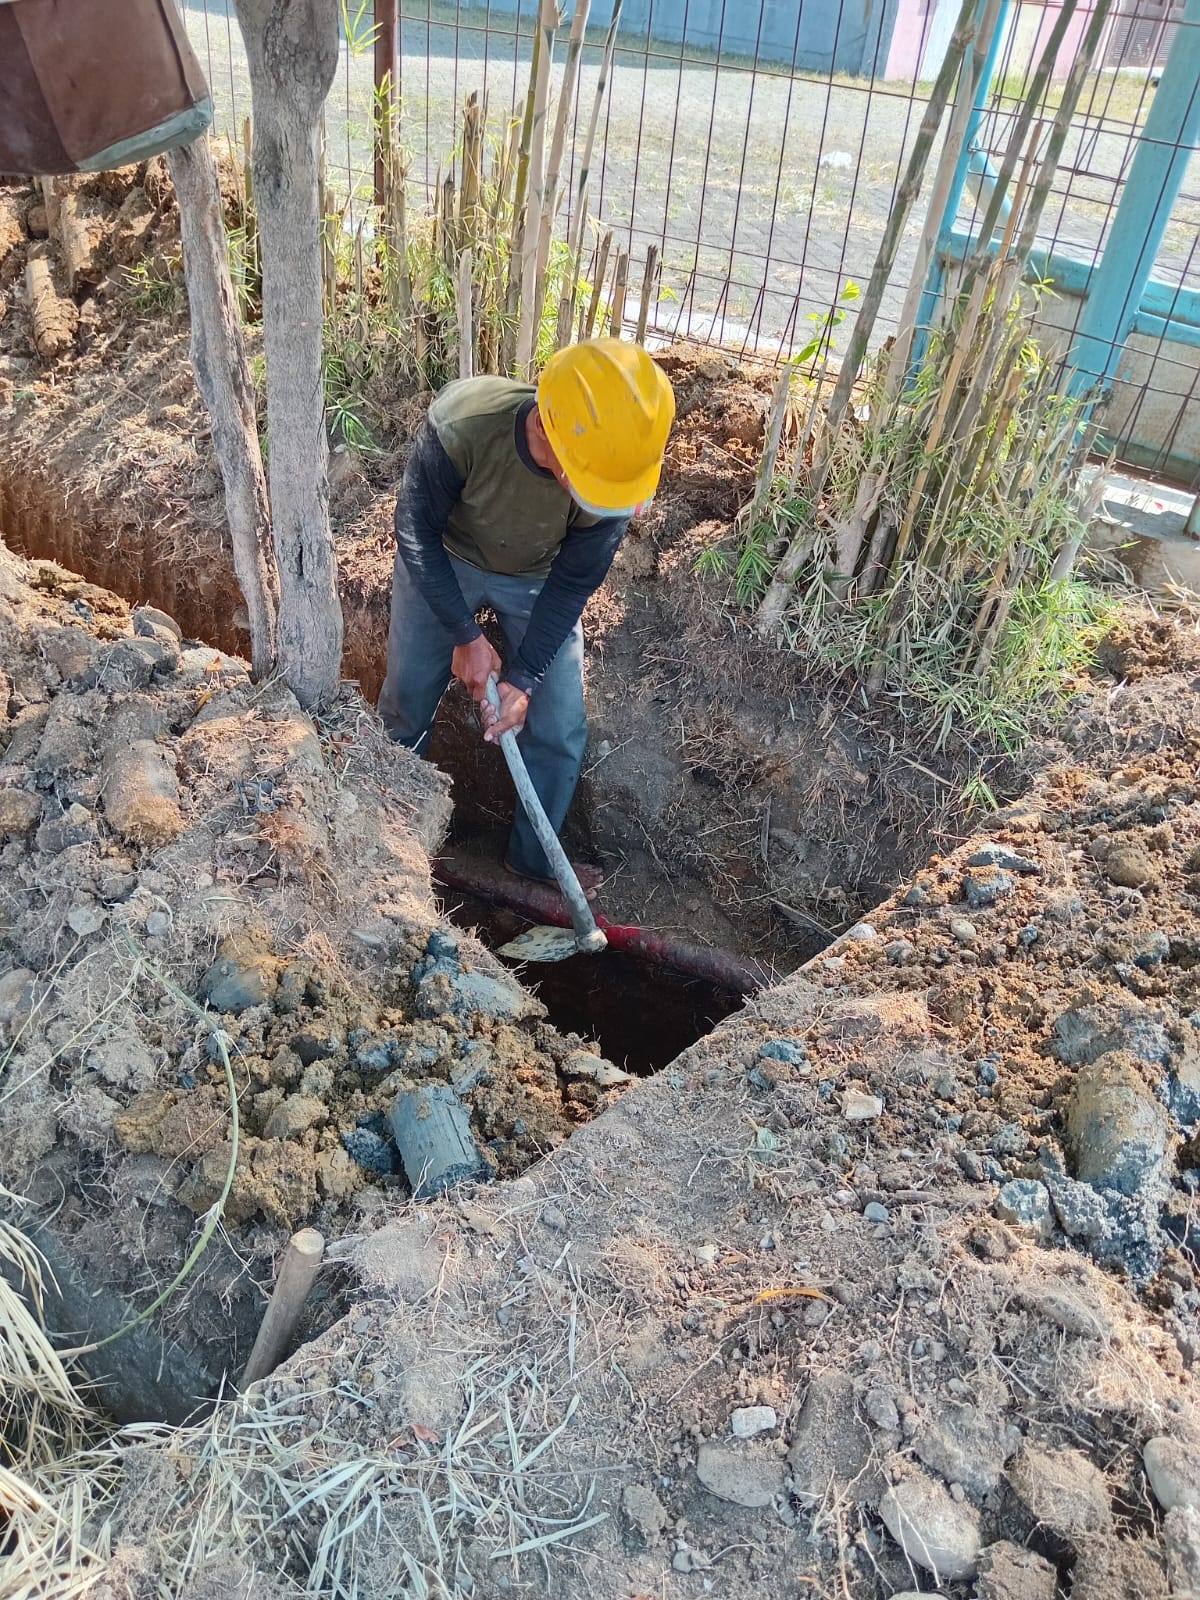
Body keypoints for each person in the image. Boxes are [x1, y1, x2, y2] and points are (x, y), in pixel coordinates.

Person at [379, 338, 675, 890]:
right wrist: (464, 636)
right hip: (447, 558)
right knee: (407, 696)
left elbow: (573, 583)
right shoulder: (466, 425)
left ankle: (535, 858)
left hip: (539, 580)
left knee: (561, 725)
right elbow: (415, 531)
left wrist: (526, 677)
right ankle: (387, 835)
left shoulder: (611, 469)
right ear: (547, 427)